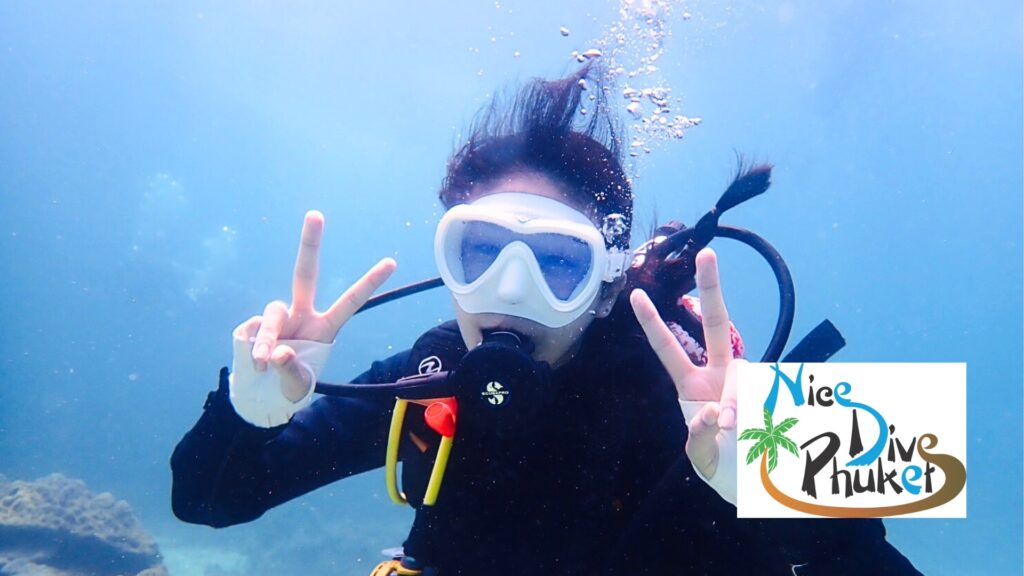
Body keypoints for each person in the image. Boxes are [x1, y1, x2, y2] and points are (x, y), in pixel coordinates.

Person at [171, 66, 921, 575]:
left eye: (555, 262)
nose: (510, 292)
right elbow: (207, 499)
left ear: (605, 277)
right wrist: (246, 414)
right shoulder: (429, 378)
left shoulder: (705, 394)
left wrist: (770, 474)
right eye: (481, 254)